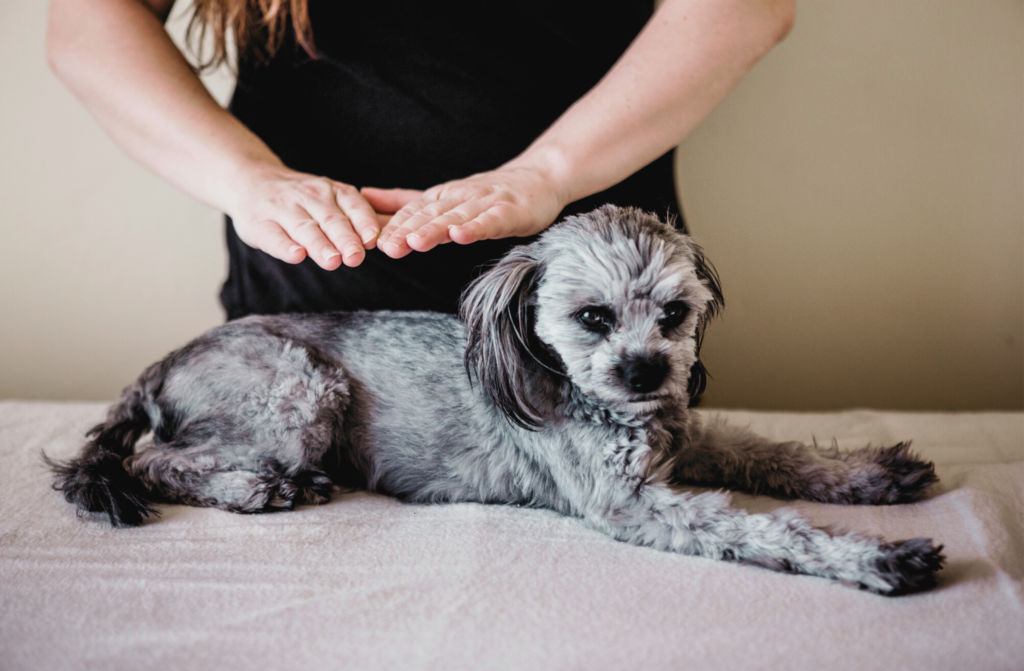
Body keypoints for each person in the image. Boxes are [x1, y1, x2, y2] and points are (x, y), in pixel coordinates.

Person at [47, 0, 794, 318]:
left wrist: (547, 174)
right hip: (308, 327)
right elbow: (86, 19)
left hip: (592, 331)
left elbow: (743, 7)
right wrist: (247, 179)